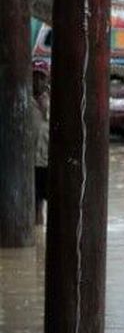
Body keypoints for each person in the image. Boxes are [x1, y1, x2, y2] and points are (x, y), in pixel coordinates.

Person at [31, 62, 50, 226]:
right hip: (30, 162)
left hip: (48, 162)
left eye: (41, 77)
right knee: (35, 204)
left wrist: (46, 111)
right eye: (34, 76)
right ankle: (37, 240)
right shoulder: (24, 100)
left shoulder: (54, 101)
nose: (37, 81)